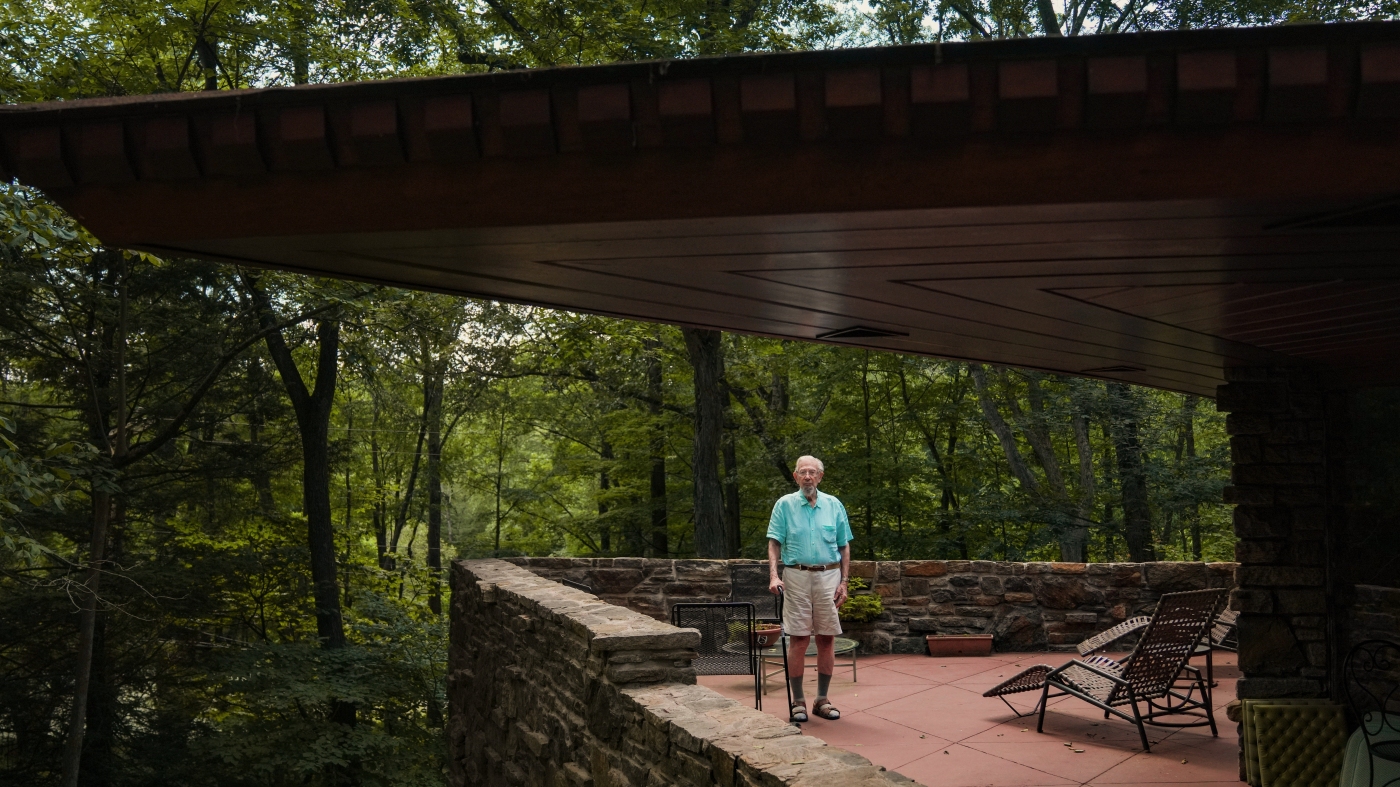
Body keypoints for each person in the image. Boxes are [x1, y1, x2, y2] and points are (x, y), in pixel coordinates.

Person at [766, 455, 853, 723]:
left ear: (820, 476)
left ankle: (822, 700)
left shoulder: (833, 505)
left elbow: (844, 546)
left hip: (829, 575)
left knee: (827, 638)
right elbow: (774, 543)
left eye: (812, 472)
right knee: (799, 639)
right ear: (795, 477)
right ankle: (798, 701)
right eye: (802, 472)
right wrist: (773, 576)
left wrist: (844, 582)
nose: (807, 476)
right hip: (796, 576)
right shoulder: (784, 505)